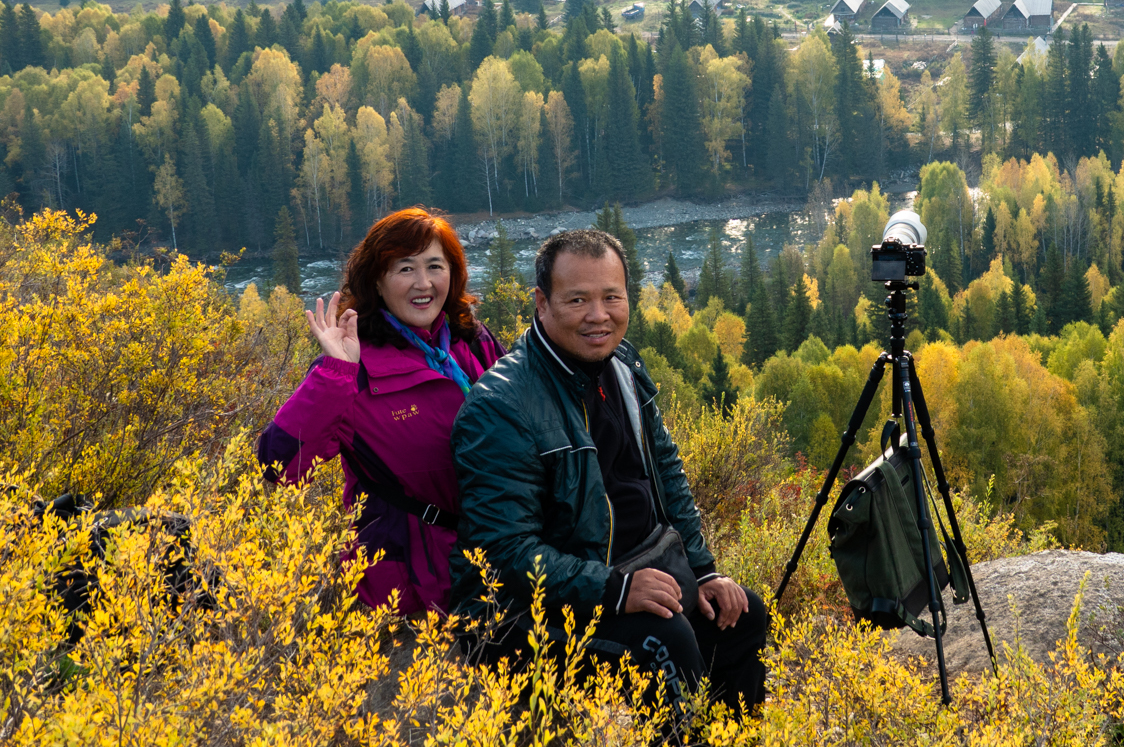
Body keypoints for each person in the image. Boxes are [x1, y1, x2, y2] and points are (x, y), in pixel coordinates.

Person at [450, 228, 768, 714]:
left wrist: (704, 572)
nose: (598, 316)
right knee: (666, 643)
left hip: (630, 570)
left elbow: (667, 471)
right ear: (542, 303)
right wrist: (615, 590)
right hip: (523, 613)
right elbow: (506, 552)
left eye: (611, 297)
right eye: (577, 299)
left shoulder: (621, 365)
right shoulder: (501, 406)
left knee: (740, 614)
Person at [256, 207, 505, 615]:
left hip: (492, 562)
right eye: (404, 268)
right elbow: (279, 467)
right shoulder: (353, 367)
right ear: (377, 280)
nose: (423, 283)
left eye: (434, 266)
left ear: (453, 274)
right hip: (407, 590)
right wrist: (334, 374)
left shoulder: (470, 340)